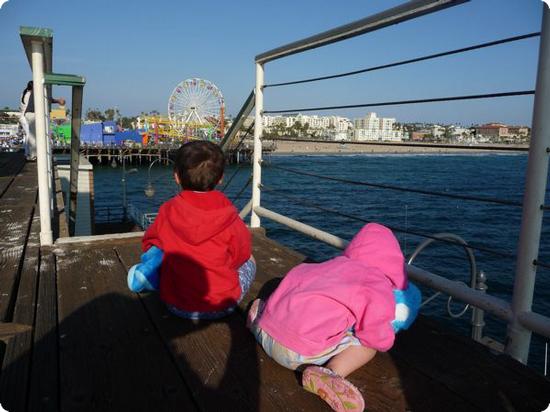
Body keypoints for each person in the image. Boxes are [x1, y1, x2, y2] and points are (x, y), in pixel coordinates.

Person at [247, 223, 421, 412]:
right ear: (393, 262)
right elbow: (375, 333)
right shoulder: (375, 282)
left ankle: (257, 316)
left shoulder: (330, 265)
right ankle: (331, 373)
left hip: (265, 334)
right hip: (299, 354)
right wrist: (385, 339)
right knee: (367, 346)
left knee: (286, 311)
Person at [139, 141, 255, 319]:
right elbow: (241, 253)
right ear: (221, 177)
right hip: (222, 305)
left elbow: (150, 244)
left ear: (176, 176)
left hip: (175, 304)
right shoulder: (229, 214)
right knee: (250, 261)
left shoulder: (167, 210)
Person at [19, 81, 65, 161]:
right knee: (33, 136)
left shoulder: (25, 93)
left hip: (26, 115)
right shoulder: (35, 92)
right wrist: (58, 101)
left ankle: (30, 154)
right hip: (33, 114)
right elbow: (47, 99)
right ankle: (32, 155)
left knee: (30, 135)